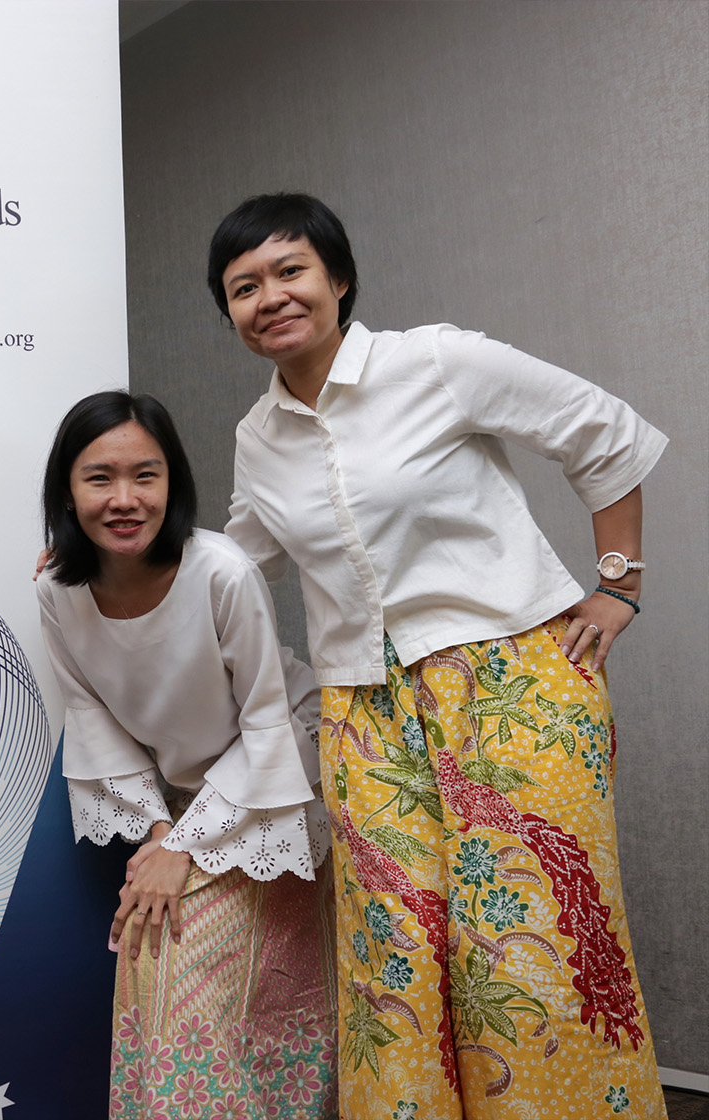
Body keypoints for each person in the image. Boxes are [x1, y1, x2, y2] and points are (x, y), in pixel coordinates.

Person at [210, 192, 668, 1119]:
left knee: (526, 953)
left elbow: (604, 433)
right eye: (243, 286)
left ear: (337, 278)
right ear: (230, 314)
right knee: (394, 964)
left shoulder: (438, 362)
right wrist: (108, 549)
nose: (272, 298)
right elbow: (235, 559)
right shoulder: (257, 441)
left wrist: (619, 586)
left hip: (512, 686)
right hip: (363, 715)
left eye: (289, 270)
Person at [36, 391, 337, 1120]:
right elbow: (94, 716)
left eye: (147, 475)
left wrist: (184, 842)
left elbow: (270, 722)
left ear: (173, 483)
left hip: (279, 789)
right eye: (98, 478)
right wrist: (161, 833)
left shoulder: (222, 573)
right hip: (183, 804)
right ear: (66, 493)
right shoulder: (57, 590)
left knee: (212, 984)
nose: (125, 498)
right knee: (148, 961)